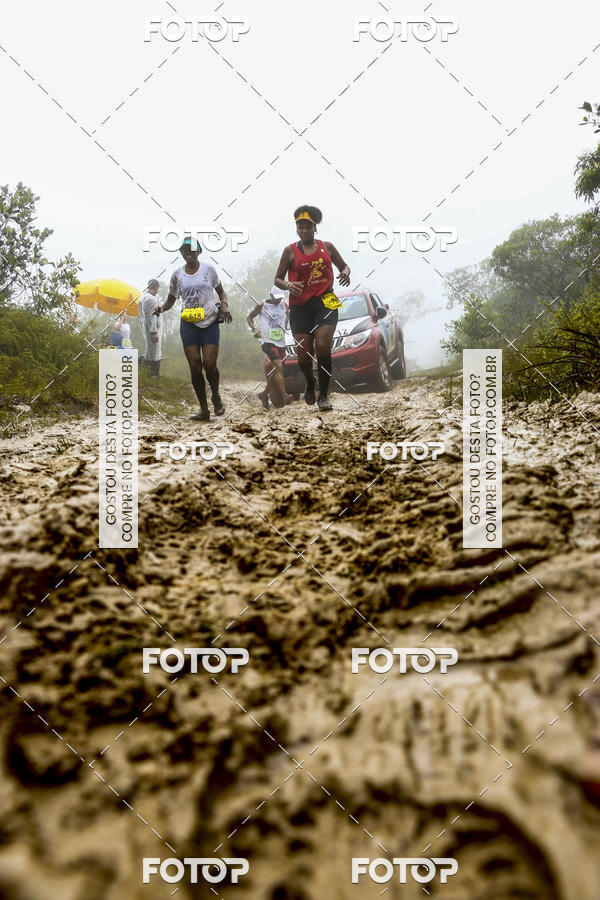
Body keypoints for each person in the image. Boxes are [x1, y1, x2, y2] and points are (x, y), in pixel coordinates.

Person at [274, 205, 350, 412]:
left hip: (325, 303)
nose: (304, 230)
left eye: (308, 226)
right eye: (300, 227)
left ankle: (324, 396)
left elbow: (344, 266)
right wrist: (289, 285)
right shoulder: (290, 251)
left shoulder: (328, 247)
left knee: (323, 346)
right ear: (296, 229)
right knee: (304, 356)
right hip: (300, 308)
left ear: (315, 227)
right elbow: (278, 279)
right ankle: (310, 382)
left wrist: (345, 273)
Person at [154, 237, 232, 421]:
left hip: (210, 320)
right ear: (181, 253)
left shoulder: (208, 270)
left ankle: (216, 396)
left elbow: (221, 291)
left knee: (209, 364)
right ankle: (204, 410)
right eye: (184, 251)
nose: (188, 254)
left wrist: (225, 305)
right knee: (195, 365)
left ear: (199, 252)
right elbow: (171, 300)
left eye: (192, 251)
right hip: (188, 322)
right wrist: (160, 309)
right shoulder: (177, 275)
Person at [246, 285, 294, 410]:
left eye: (280, 298)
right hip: (267, 341)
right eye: (276, 298)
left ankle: (264, 394)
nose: (278, 300)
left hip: (280, 342)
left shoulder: (284, 305)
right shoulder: (262, 305)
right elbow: (249, 317)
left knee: (276, 370)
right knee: (278, 366)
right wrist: (254, 330)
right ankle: (284, 396)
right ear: (271, 295)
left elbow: (292, 319)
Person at [139, 279, 162, 377]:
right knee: (154, 351)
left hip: (146, 326)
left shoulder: (143, 297)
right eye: (157, 288)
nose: (158, 290)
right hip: (152, 328)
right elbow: (151, 317)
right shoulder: (151, 299)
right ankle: (153, 375)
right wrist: (154, 331)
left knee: (151, 350)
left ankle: (144, 366)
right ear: (156, 287)